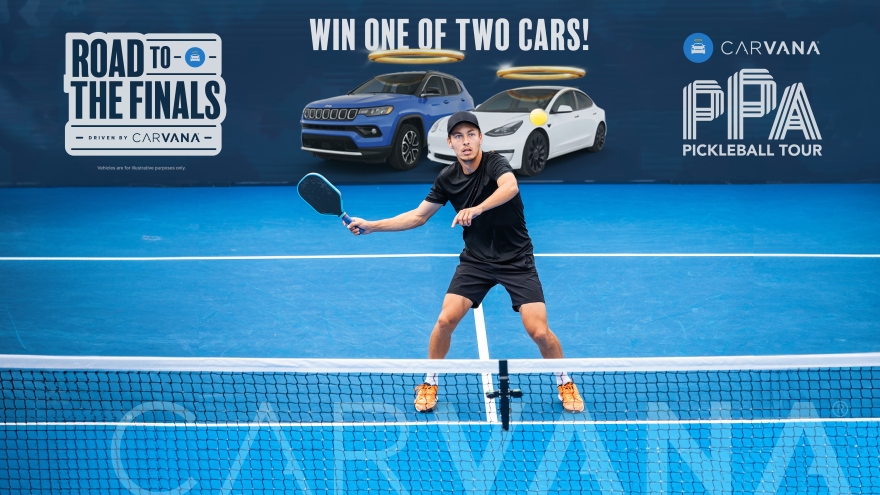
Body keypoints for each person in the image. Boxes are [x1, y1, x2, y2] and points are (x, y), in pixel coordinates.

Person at [345, 111, 584, 413]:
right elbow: (418, 216)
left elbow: (510, 187)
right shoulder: (447, 178)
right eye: (458, 136)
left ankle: (565, 381)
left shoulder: (495, 163)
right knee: (445, 320)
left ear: (480, 138)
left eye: (471, 134)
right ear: (450, 143)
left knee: (538, 331)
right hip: (476, 261)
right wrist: (372, 226)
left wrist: (477, 208)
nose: (465, 141)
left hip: (516, 258)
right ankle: (429, 382)